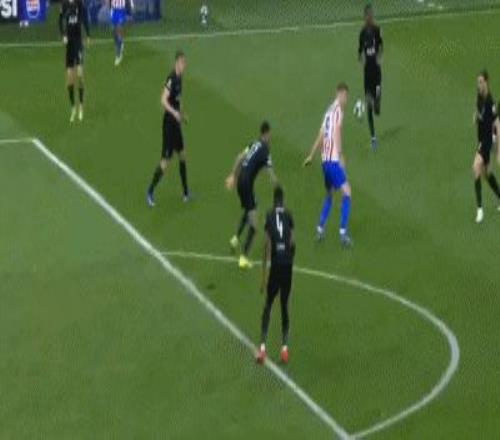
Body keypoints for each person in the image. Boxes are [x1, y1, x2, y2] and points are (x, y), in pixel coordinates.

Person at [304, 82, 352, 247]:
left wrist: (311, 155)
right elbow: (337, 131)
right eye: (345, 96)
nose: (346, 100)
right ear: (340, 94)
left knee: (330, 194)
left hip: (324, 161)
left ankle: (320, 228)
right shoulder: (338, 110)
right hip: (332, 160)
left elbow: (321, 134)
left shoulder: (328, 112)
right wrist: (340, 155)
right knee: (347, 192)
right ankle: (343, 234)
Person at [225, 121, 278, 269]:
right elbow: (270, 172)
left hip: (240, 181)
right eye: (270, 134)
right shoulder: (265, 149)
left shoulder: (254, 144)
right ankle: (243, 258)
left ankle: (235, 239)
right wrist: (277, 186)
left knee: (251, 207)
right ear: (267, 133)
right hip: (247, 184)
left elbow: (239, 157)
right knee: (254, 225)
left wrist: (233, 176)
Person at [256, 186, 295, 365]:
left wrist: (264, 275)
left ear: (273, 200)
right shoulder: (289, 215)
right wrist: (289, 260)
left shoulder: (269, 215)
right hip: (287, 265)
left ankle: (262, 349)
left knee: (268, 305)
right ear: (283, 200)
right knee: (284, 306)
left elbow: (266, 244)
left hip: (276, 266)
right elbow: (292, 242)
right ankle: (284, 349)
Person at [147, 50, 190, 207]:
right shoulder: (171, 78)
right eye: (182, 62)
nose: (184, 65)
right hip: (169, 125)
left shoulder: (180, 78)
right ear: (177, 63)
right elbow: (163, 100)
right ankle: (150, 192)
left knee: (183, 156)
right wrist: (174, 113)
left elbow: (178, 99)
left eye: (185, 63)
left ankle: (186, 193)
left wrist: (182, 114)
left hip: (176, 124)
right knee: (165, 162)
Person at [472, 70, 500, 223]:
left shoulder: (490, 102)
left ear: (486, 82)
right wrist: (476, 117)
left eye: (481, 82)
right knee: (486, 173)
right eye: (478, 82)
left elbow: (497, 124)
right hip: (481, 140)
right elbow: (478, 111)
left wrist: (498, 150)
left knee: (476, 167)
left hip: (487, 141)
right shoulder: (479, 96)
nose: (479, 84)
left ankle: (479, 210)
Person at [59, 0, 90, 123]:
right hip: (69, 46)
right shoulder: (64, 4)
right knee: (70, 79)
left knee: (80, 75)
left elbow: (85, 19)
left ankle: (81, 106)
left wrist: (88, 35)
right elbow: (60, 21)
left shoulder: (79, 3)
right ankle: (73, 108)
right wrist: (63, 35)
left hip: (78, 44)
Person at [358, 3, 383, 150]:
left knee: (377, 109)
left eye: (371, 15)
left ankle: (377, 101)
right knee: (368, 106)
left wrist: (379, 57)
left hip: (377, 71)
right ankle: (373, 138)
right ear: (365, 17)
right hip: (367, 73)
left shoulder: (377, 30)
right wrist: (362, 61)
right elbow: (359, 51)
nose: (370, 17)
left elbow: (381, 46)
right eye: (368, 15)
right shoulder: (362, 33)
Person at [110, 0, 133, 66]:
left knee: (118, 31)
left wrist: (129, 14)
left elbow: (128, 2)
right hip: (114, 11)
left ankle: (118, 55)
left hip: (121, 11)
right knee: (114, 32)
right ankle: (120, 42)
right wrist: (110, 8)